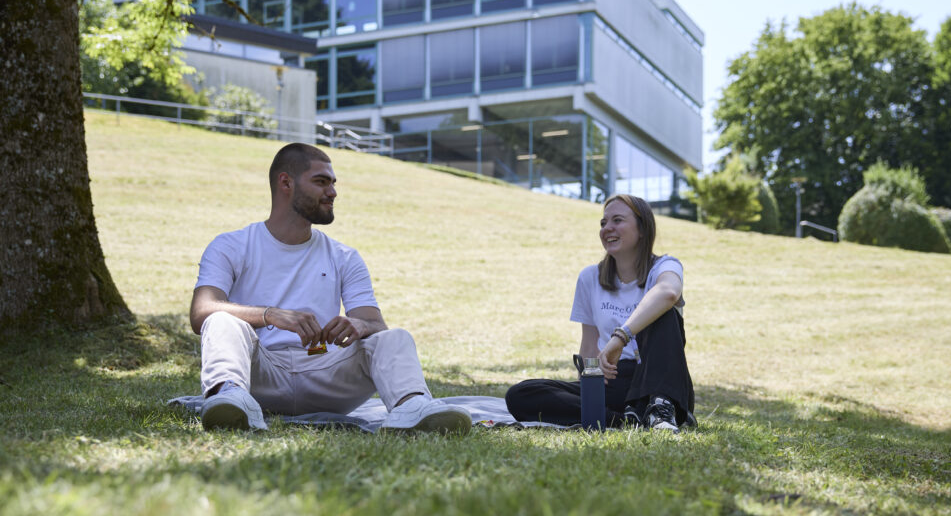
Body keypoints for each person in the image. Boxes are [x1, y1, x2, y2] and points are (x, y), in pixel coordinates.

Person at [189, 142, 471, 434]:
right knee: (220, 319)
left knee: (394, 337)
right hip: (260, 376)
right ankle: (230, 400)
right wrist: (271, 315)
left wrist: (358, 325)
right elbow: (201, 312)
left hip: (327, 375)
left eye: (333, 183)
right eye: (321, 182)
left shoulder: (344, 256)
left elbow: (376, 324)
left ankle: (413, 407)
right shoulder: (231, 245)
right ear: (285, 182)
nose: (333, 192)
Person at [505, 194, 696, 432]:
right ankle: (624, 420)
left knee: (663, 311)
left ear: (643, 229)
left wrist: (621, 337)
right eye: (603, 223)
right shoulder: (590, 278)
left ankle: (659, 409)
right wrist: (591, 382)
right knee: (521, 394)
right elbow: (589, 345)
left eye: (617, 220)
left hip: (657, 377)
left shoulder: (665, 267)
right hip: (615, 381)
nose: (607, 228)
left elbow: (668, 293)